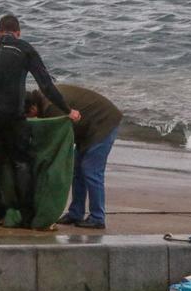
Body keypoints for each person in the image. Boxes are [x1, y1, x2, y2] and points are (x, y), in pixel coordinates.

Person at [0, 14, 81, 225]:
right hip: (12, 115)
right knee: (21, 163)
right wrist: (67, 110)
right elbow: (45, 84)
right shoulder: (24, 49)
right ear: (18, 33)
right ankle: (26, 214)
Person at [25, 85, 121, 229]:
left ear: (33, 108)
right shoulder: (46, 97)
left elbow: (59, 140)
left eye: (28, 115)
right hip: (88, 127)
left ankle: (97, 217)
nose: (31, 118)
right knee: (77, 170)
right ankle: (76, 213)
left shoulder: (51, 107)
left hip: (104, 122)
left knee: (91, 171)